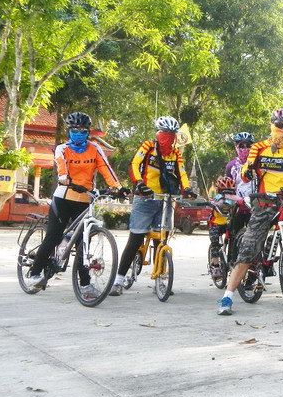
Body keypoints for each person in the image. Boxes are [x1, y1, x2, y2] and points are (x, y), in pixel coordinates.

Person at [27, 112, 128, 295]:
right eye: (75, 130)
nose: (79, 133)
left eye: (83, 130)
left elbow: (105, 169)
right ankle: (35, 274)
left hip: (85, 199)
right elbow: (61, 164)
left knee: (83, 243)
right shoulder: (62, 148)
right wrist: (64, 177)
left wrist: (118, 187)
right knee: (54, 236)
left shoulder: (95, 149)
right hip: (63, 198)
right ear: (69, 131)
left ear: (88, 132)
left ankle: (85, 284)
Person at [219, 108, 283, 315]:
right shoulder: (259, 148)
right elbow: (246, 172)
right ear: (272, 124)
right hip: (264, 203)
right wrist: (248, 170)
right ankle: (227, 297)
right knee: (248, 250)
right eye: (279, 125)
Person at [109, 116, 197, 296]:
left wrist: (187, 188)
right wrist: (139, 183)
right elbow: (135, 164)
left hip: (165, 200)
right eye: (165, 133)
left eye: (172, 134)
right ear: (158, 133)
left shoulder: (175, 153)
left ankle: (160, 281)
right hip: (145, 199)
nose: (168, 136)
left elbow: (182, 172)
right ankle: (118, 281)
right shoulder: (148, 146)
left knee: (161, 241)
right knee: (135, 240)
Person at [225, 132, 255, 263]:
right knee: (234, 235)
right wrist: (235, 200)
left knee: (256, 237)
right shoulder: (231, 166)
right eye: (242, 145)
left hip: (255, 206)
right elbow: (227, 188)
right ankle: (232, 263)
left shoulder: (257, 165)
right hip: (238, 206)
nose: (245, 149)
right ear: (236, 147)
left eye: (248, 145)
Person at [208, 176, 237, 280]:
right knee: (215, 243)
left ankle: (231, 260)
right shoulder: (218, 198)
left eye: (230, 193)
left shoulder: (234, 198)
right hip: (215, 223)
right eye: (225, 193)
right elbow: (216, 202)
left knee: (234, 239)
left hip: (228, 223)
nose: (228, 195)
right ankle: (215, 266)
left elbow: (239, 200)